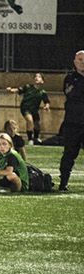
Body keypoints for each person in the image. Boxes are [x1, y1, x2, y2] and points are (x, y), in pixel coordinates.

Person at [60, 50, 84, 192]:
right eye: (80, 60)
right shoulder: (70, 78)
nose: (82, 62)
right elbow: (72, 94)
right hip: (73, 123)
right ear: (75, 62)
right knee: (69, 153)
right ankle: (63, 182)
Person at [5, 74, 50, 144]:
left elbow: (46, 101)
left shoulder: (43, 92)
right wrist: (11, 90)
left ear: (42, 81)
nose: (36, 78)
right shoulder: (28, 87)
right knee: (30, 120)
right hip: (25, 108)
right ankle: (30, 139)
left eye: (39, 77)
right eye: (35, 76)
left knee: (37, 124)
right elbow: (18, 90)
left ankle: (36, 138)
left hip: (34, 110)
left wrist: (46, 106)